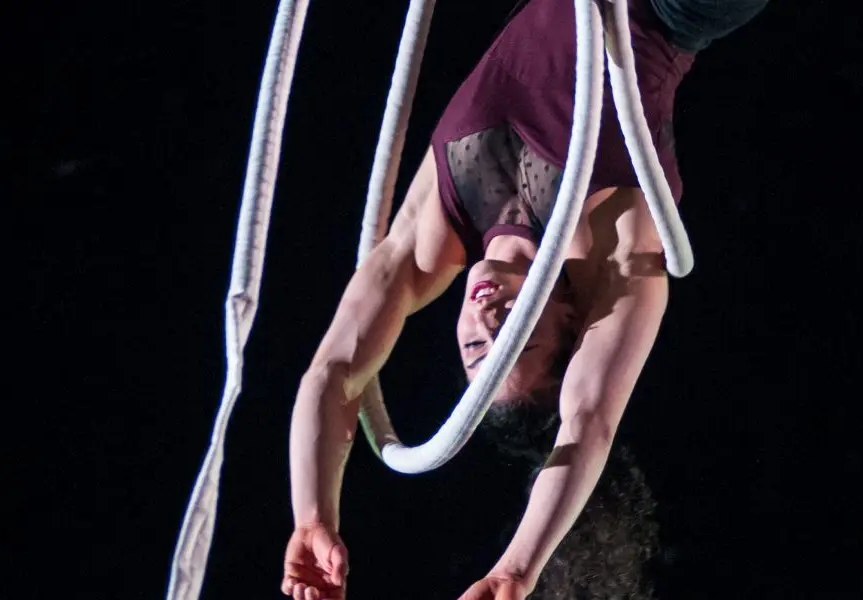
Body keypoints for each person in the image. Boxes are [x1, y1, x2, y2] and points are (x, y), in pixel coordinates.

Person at [282, 0, 769, 598]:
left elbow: (335, 373)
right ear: (570, 319)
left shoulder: (433, 238)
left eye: (474, 348)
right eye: (512, 340)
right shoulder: (610, 248)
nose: (485, 319)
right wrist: (515, 569)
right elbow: (588, 421)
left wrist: (312, 517)